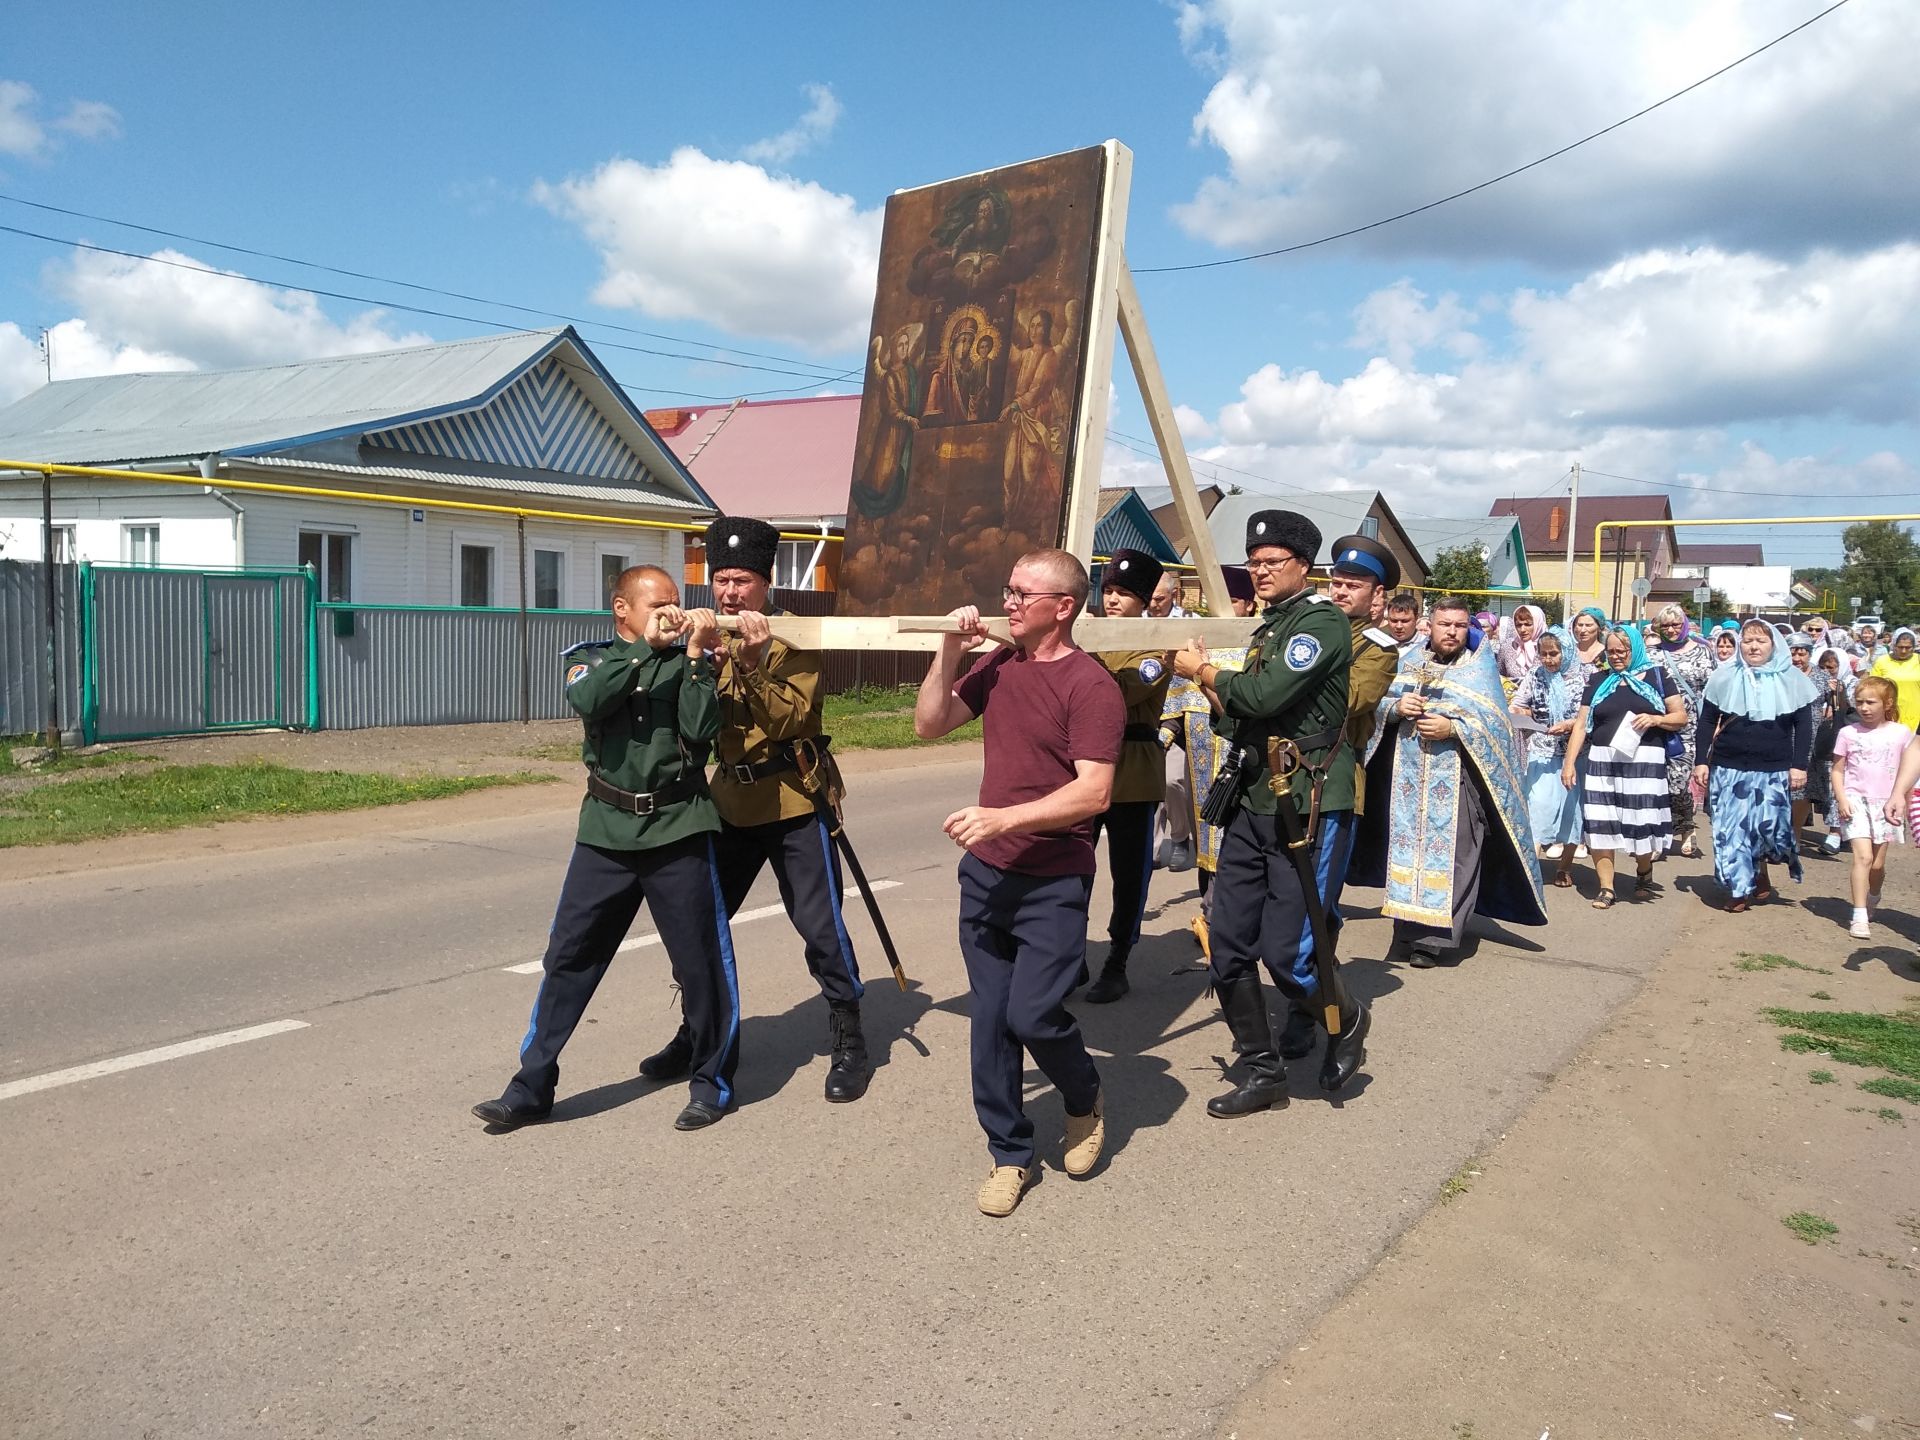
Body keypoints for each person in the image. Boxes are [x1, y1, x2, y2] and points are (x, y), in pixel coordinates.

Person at [472, 567, 738, 1133]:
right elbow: (591, 699)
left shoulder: (694, 660)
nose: (672, 611)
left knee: (701, 964)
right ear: (622, 609)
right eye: (657, 604)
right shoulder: (590, 659)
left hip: (678, 825)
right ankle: (531, 1086)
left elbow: (700, 733)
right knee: (569, 958)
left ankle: (710, 1082)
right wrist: (647, 648)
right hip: (606, 832)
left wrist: (693, 657)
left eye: (676, 602)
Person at [635, 518, 873, 1103]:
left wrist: (749, 658)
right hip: (730, 803)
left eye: (742, 581)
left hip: (794, 798)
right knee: (698, 925)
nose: (729, 593)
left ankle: (849, 1036)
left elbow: (790, 720)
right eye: (721, 580)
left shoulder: (797, 636)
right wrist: (689, 659)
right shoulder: (701, 633)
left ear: (765, 584)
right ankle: (697, 1029)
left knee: (820, 927)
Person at [914, 548, 1120, 1217]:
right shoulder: (999, 664)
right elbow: (929, 722)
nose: (1007, 603)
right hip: (986, 877)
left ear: (1062, 607)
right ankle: (1010, 1154)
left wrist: (1005, 819)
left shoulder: (1091, 686)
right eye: (1006, 589)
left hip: (1052, 881)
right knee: (991, 1024)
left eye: (1021, 594)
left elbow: (1094, 795)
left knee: (1034, 1014)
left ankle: (1084, 1098)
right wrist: (949, 646)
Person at [1171, 509, 1368, 1114]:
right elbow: (1240, 716)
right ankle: (1264, 1072)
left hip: (1307, 806)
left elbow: (1262, 695)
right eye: (1252, 563)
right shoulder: (1270, 630)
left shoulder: (1321, 624)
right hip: (1256, 802)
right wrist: (1212, 688)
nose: (1258, 572)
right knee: (1226, 946)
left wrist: (1200, 671)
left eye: (1270, 563)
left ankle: (1345, 1019)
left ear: (1302, 568)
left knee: (1289, 955)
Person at [1253, 531, 1402, 1061]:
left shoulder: (1377, 649)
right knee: (1280, 901)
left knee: (1319, 903)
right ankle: (1306, 995)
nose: (1342, 591)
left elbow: (1348, 701)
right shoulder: (1297, 626)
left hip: (1329, 783)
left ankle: (1307, 1011)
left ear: (1377, 597)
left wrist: (1287, 681)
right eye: (1336, 581)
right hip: (1276, 779)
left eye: (1355, 584)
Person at [1353, 595, 1547, 966]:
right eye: (1445, 624)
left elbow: (1495, 724)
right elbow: (1375, 703)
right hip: (1406, 780)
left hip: (1459, 778)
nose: (1452, 632)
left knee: (1456, 854)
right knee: (1407, 851)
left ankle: (1436, 939)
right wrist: (1395, 709)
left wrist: (1454, 728)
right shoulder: (1409, 662)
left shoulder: (1479, 668)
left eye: (1460, 625)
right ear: (1432, 624)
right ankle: (1407, 930)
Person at [1084, 549, 1173, 1003]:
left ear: (1144, 601)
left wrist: (1076, 664)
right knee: (1072, 868)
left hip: (1132, 774)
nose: (1113, 600)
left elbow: (1120, 691)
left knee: (1129, 873)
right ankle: (1070, 959)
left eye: (1124, 594)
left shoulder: (1157, 645)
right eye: (1109, 591)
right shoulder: (1087, 636)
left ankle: (1118, 959)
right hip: (1082, 771)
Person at [1162, 565, 1257, 958]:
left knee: (1236, 844)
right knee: (1207, 838)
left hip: (1241, 764)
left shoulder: (1256, 647)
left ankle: (1229, 922)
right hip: (1201, 764)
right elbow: (1177, 698)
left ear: (1249, 605)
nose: (1224, 610)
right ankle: (1209, 913)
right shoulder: (1199, 646)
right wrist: (1164, 736)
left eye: (1232, 601)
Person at [1693, 619, 1818, 912]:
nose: (1753, 646)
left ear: (1774, 645)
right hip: (1729, 765)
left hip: (1773, 768)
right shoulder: (1724, 676)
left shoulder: (1792, 679)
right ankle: (1738, 888)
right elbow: (1707, 720)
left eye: (1760, 641)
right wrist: (1701, 760)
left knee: (1766, 830)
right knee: (1730, 829)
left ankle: (1759, 868)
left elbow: (1804, 727)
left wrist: (1799, 766)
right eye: (1748, 640)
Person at [1561, 627, 1686, 906]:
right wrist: (1569, 763)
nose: (1616, 657)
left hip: (1644, 762)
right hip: (1602, 760)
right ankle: (1607, 888)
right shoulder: (1597, 680)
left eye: (1622, 651)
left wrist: (1655, 720)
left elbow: (1680, 717)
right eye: (1611, 651)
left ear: (1636, 649)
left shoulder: (1657, 676)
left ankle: (1643, 871)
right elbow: (1581, 724)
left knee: (1640, 821)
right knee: (1600, 821)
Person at [1833, 677, 1909, 939]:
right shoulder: (1848, 733)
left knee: (1876, 865)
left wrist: (1905, 801)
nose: (1864, 708)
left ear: (1887, 703)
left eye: (1870, 702)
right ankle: (1859, 915)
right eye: (1860, 702)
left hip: (1886, 804)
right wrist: (1842, 799)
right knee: (1862, 858)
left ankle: (1873, 895)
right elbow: (1837, 770)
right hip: (1855, 801)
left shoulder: (1901, 733)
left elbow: (1908, 771)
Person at [1510, 624, 1583, 885]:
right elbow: (1518, 704)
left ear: (1567, 652)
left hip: (1573, 756)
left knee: (1571, 812)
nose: (1549, 660)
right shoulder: (1535, 675)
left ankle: (1565, 867)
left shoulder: (1584, 677)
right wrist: (1525, 715)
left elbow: (1592, 717)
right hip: (1541, 751)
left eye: (1554, 654)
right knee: (1538, 808)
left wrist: (1570, 724)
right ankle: (1532, 867)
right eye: (1544, 654)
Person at [1647, 603, 1714, 858]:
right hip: (1658, 724)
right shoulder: (1653, 654)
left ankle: (1686, 830)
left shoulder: (1703, 652)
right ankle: (1658, 837)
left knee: (1679, 780)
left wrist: (1714, 723)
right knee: (1656, 780)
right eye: (1666, 626)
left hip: (1691, 726)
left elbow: (1713, 691)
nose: (1672, 630)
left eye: (1676, 624)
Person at [1150, 569, 1194, 872]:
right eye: (1149, 599)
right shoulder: (1137, 623)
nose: (1153, 605)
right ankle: (1150, 847)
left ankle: (1180, 837)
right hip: (1144, 713)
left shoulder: (1189, 625)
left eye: (1160, 599)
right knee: (1145, 784)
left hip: (1180, 716)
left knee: (1171, 780)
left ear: (1174, 596)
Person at [1869, 628, 1920, 733]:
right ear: (1894, 646)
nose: (1904, 651)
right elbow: (1873, 688)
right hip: (1889, 716)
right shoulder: (1882, 661)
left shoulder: (1918, 660)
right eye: (1900, 647)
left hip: (1916, 717)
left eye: (1908, 647)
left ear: (1914, 647)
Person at [1495, 604, 1547, 681]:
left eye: (1527, 624)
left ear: (1538, 624)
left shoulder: (1548, 647)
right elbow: (1499, 677)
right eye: (1518, 625)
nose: (1522, 629)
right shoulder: (1508, 647)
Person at [1570, 607, 1608, 680]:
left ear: (1599, 628)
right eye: (1580, 625)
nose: (1583, 630)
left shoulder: (1607, 654)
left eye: (1588, 625)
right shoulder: (1569, 653)